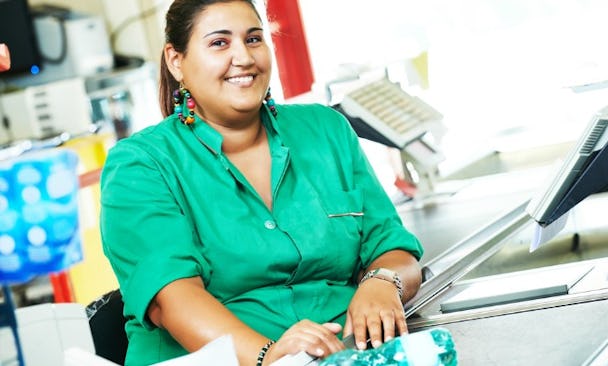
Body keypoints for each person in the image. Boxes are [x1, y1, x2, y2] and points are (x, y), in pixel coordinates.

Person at [99, 0, 424, 365]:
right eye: (220, 43)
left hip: (345, 354)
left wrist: (382, 282)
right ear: (177, 61)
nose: (244, 57)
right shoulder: (140, 165)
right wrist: (268, 355)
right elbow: (172, 299)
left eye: (254, 39)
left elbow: (394, 248)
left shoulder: (326, 130)